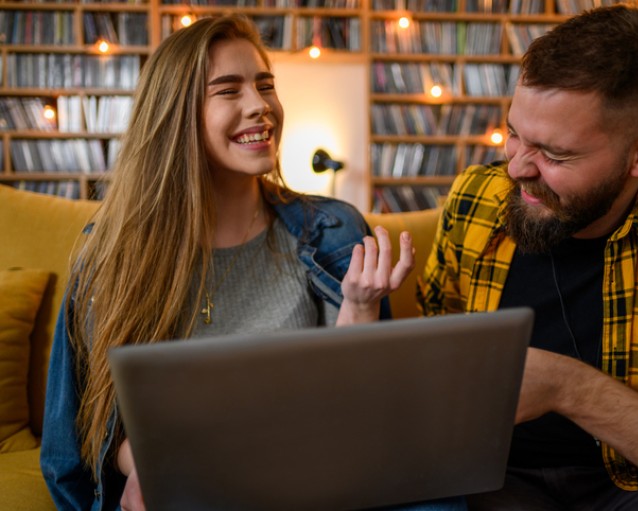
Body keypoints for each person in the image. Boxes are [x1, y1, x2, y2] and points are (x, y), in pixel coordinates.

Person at [40, 16, 463, 511]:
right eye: (228, 90)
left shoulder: (334, 230)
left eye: (265, 85)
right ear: (178, 115)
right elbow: (84, 437)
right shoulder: (113, 254)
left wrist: (361, 310)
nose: (260, 106)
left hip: (313, 474)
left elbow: (358, 418)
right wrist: (152, 465)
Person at [418, 5, 638, 511]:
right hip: (492, 476)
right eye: (515, 133)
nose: (516, 169)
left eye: (555, 155)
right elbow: (436, 342)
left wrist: (571, 389)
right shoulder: (477, 197)